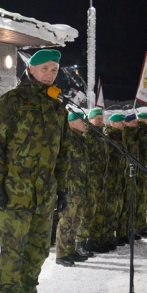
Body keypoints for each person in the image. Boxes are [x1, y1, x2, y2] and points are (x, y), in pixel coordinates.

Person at [0, 49, 70, 293]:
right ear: (31, 69)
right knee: (13, 251)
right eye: (45, 68)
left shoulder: (57, 108)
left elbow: (63, 152)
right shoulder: (12, 102)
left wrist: (62, 187)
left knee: (38, 250)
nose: (50, 73)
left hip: (44, 195)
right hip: (14, 192)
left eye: (54, 69)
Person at [55, 110, 94, 266]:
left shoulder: (80, 140)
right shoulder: (68, 139)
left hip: (80, 188)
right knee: (66, 222)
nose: (85, 123)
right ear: (72, 123)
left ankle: (70, 251)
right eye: (81, 121)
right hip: (70, 188)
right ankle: (61, 254)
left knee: (76, 221)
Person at [84, 108, 110, 253]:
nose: (100, 121)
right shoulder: (88, 136)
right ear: (90, 120)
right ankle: (87, 241)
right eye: (97, 118)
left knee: (100, 211)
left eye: (101, 118)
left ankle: (96, 239)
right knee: (90, 212)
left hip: (101, 180)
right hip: (91, 181)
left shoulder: (101, 135)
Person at [101, 113, 127, 249]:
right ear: (113, 124)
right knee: (109, 209)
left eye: (123, 122)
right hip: (111, 179)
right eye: (120, 122)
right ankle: (107, 237)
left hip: (118, 179)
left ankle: (112, 235)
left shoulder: (119, 137)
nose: (123, 124)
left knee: (116, 208)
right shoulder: (109, 138)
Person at [117, 113, 141, 244]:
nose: (136, 124)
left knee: (130, 204)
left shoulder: (132, 134)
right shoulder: (126, 135)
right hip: (125, 174)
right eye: (134, 122)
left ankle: (128, 231)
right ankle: (122, 232)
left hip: (131, 172)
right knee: (124, 205)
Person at [135, 112, 147, 236]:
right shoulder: (138, 135)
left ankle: (142, 223)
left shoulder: (144, 135)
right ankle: (137, 226)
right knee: (139, 200)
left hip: (145, 172)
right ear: (140, 121)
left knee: (144, 200)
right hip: (139, 172)